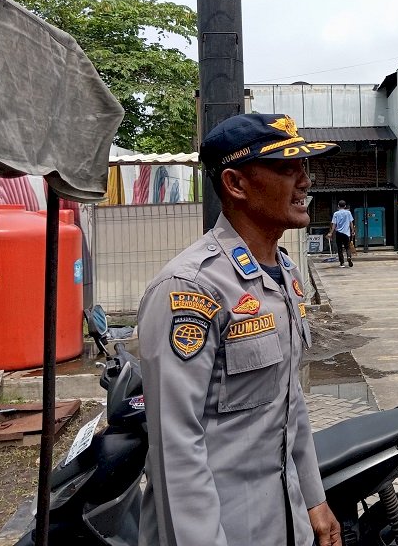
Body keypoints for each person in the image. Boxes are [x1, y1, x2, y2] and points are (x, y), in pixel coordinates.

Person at [137, 113, 342, 546]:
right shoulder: (191, 287)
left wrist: (313, 498)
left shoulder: (283, 274)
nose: (304, 181)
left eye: (304, 167)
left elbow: (291, 401)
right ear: (235, 184)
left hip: (285, 522)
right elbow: (176, 448)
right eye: (287, 168)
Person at [328, 200, 354, 268]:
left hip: (338, 233)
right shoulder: (348, 213)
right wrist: (353, 231)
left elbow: (334, 224)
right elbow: (351, 223)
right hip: (346, 233)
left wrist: (331, 233)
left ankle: (342, 263)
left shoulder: (336, 214)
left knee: (339, 248)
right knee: (347, 247)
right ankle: (348, 257)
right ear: (345, 206)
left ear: (338, 206)